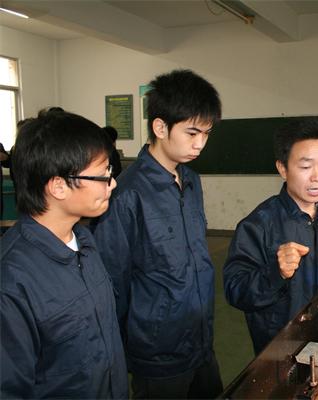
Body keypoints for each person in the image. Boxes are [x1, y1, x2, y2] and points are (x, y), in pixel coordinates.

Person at [93, 69, 223, 399]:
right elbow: (113, 282)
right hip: (158, 353)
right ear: (160, 127)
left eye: (206, 134)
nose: (200, 144)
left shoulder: (191, 181)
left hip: (201, 342)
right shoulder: (127, 194)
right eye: (192, 132)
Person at [0, 109, 127, 398]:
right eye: (103, 175)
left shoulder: (84, 242)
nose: (113, 183)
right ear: (58, 186)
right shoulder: (11, 281)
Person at [223, 118, 318, 354]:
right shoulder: (258, 225)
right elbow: (235, 291)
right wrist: (275, 273)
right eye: (306, 167)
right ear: (282, 169)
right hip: (279, 348)